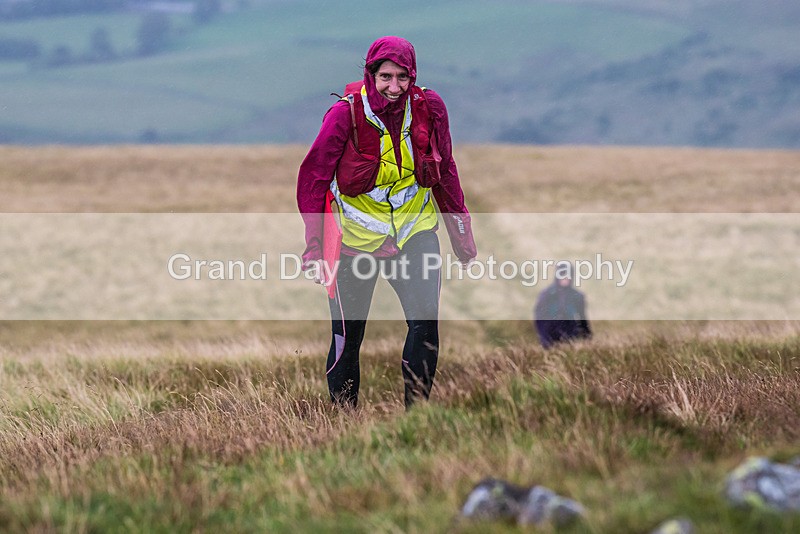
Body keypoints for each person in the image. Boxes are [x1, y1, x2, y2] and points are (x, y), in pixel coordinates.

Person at [297, 36, 477, 409]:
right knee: (348, 335)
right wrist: (314, 247)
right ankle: (343, 422)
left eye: (402, 77)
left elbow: (446, 171)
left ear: (413, 76)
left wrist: (461, 234)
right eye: (385, 77)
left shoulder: (430, 108)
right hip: (354, 243)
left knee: (425, 325)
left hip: (416, 233)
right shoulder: (344, 115)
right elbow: (312, 180)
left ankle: (416, 418)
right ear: (370, 75)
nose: (394, 87)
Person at [534, 261, 592, 349]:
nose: (565, 277)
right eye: (562, 274)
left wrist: (587, 336)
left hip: (571, 336)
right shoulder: (547, 294)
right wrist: (544, 339)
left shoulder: (577, 296)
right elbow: (539, 318)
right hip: (550, 335)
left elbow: (582, 319)